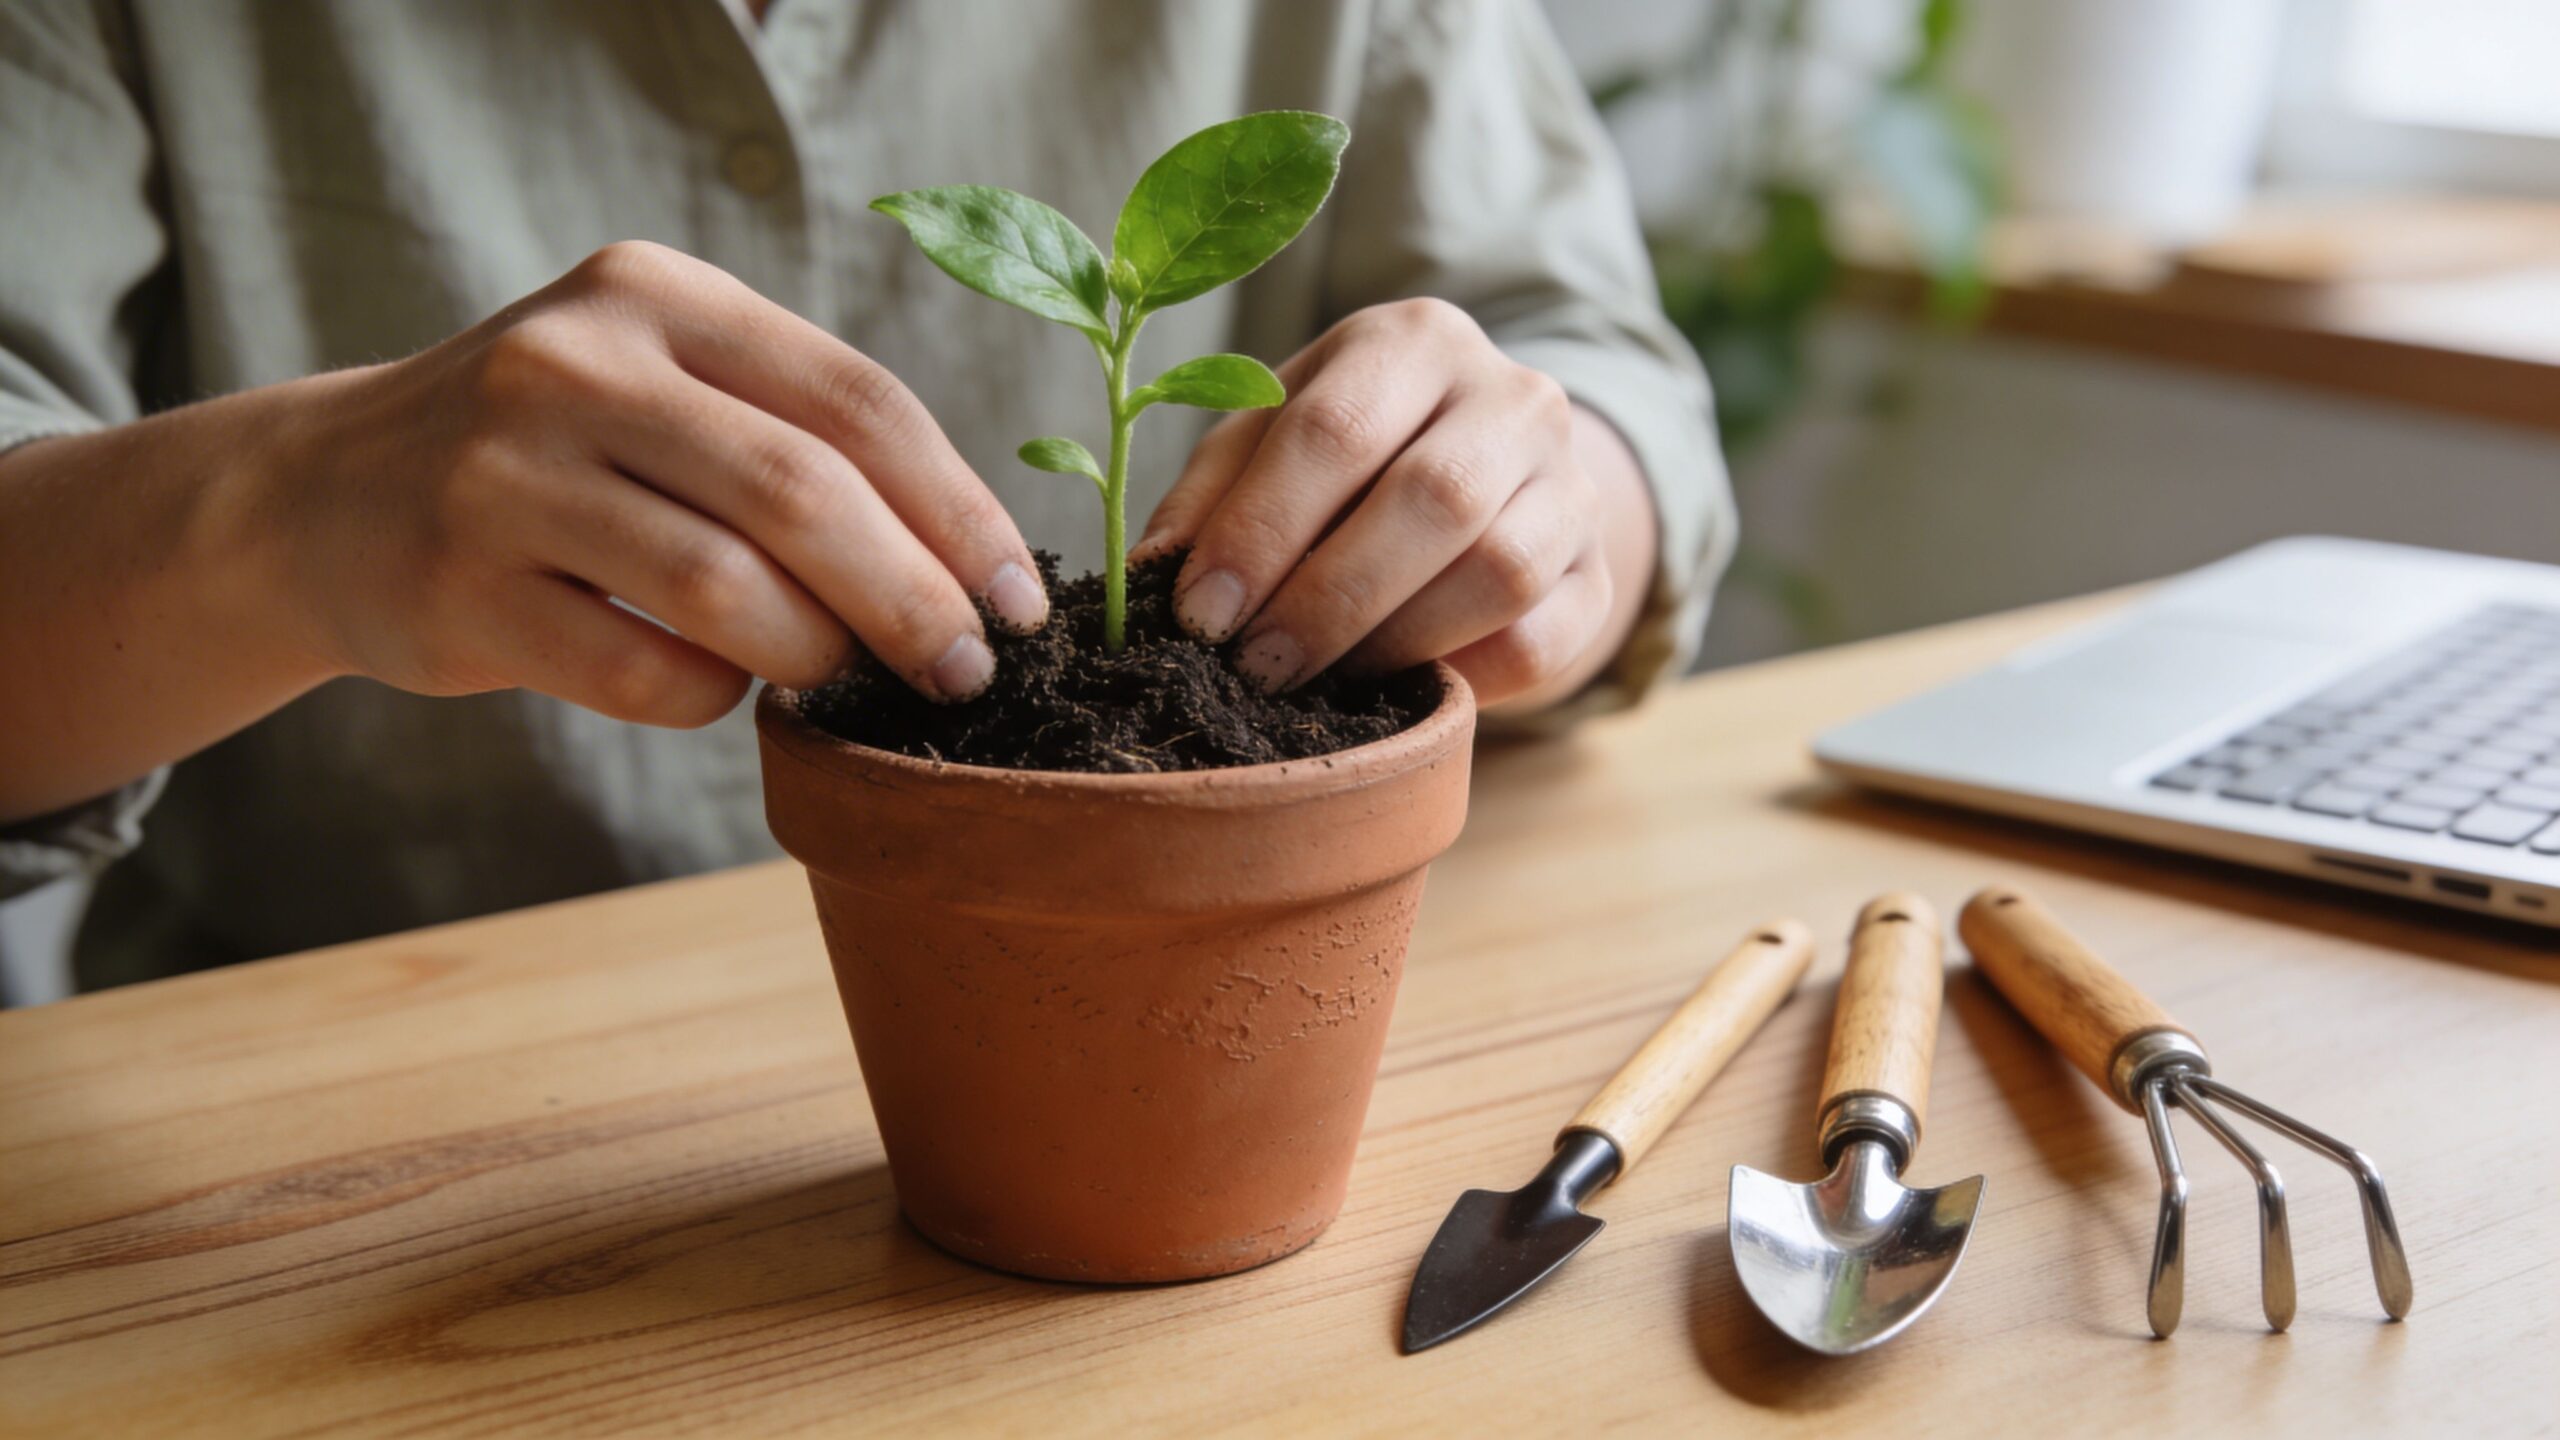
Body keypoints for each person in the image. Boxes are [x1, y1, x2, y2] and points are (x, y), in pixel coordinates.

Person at [0, 0, 1731, 996]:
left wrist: (1565, 496)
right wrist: (280, 507)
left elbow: (1595, 363)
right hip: (357, 1126)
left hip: (1183, 1021)